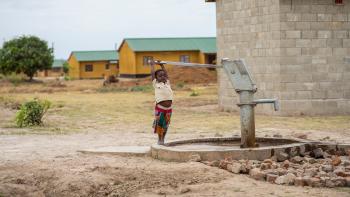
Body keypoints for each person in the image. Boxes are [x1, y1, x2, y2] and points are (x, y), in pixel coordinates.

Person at [150, 60, 173, 145]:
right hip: (160, 108)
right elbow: (152, 74)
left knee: (166, 125)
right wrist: (152, 65)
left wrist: (162, 65)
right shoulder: (155, 84)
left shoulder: (167, 83)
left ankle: (163, 139)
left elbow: (166, 74)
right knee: (159, 125)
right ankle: (160, 140)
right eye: (160, 76)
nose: (162, 77)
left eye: (163, 75)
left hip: (169, 109)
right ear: (156, 78)